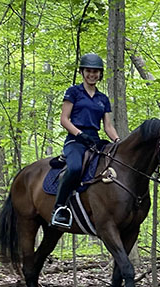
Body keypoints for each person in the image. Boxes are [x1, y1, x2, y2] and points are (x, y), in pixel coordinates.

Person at [51, 52, 120, 229]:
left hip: (95, 140)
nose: (92, 74)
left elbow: (108, 126)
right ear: (82, 72)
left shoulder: (103, 98)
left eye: (96, 71)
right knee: (74, 168)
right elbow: (64, 119)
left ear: (100, 74)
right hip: (75, 140)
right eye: (88, 71)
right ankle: (59, 208)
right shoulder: (73, 92)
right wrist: (80, 134)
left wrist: (118, 141)